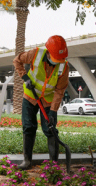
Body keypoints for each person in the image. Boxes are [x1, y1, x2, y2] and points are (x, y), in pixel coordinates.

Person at [13, 35, 69, 170]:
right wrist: (25, 77)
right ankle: (27, 161)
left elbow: (60, 90)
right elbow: (17, 61)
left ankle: (53, 165)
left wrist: (54, 111)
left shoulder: (64, 66)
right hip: (30, 97)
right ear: (48, 52)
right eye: (56, 58)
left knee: (50, 130)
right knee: (28, 127)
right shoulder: (35, 54)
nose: (59, 61)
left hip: (48, 101)